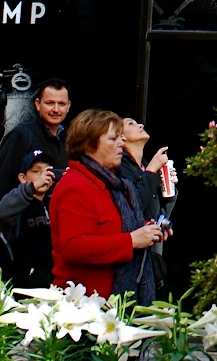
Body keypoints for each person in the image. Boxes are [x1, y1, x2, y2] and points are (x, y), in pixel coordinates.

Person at [49, 109, 163, 302]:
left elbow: (110, 227)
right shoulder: (76, 185)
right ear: (88, 144)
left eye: (120, 138)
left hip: (108, 304)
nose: (121, 143)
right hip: (85, 307)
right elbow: (73, 246)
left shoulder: (114, 183)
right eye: (113, 139)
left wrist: (146, 229)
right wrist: (131, 240)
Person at [0, 78, 70, 263]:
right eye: (49, 103)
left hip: (55, 240)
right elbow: (0, 183)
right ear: (37, 104)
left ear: (68, 106)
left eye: (61, 103)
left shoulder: (70, 139)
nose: (56, 109)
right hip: (20, 238)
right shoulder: (21, 135)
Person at [117, 116, 176, 297]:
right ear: (121, 137)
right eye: (131, 124)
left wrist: (169, 189)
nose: (140, 124)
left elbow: (158, 210)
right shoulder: (119, 167)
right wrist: (151, 171)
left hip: (151, 259)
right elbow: (132, 206)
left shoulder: (144, 166)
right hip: (128, 261)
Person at [0, 149, 55, 287]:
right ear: (23, 178)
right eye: (36, 171)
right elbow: (0, 212)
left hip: (52, 282)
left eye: (47, 171)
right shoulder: (17, 201)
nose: (43, 176)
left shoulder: (55, 202)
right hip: (21, 285)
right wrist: (31, 187)